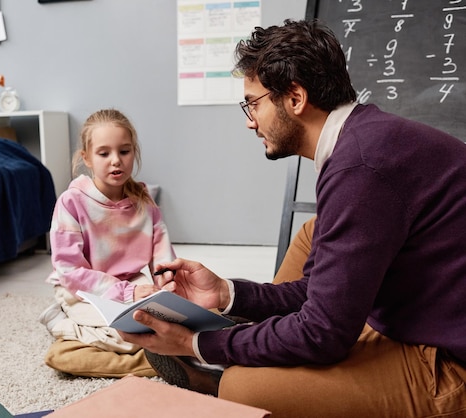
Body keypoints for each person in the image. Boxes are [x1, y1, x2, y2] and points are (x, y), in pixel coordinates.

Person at [119, 19, 466, 417]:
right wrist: (225, 292)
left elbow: (324, 333)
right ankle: (259, 347)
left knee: (244, 386)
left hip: (452, 362)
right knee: (312, 234)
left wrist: (197, 346)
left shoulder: (361, 168)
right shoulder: (364, 140)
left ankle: (236, 364)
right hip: (424, 310)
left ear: (295, 98)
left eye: (253, 102)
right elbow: (320, 294)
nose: (250, 120)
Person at [39, 108, 175, 378]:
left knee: (172, 322)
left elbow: (162, 255)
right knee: (128, 334)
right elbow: (69, 271)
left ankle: (152, 355)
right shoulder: (71, 202)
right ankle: (63, 325)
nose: (116, 161)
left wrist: (168, 285)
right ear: (86, 158)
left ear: (133, 152)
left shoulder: (144, 200)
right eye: (104, 153)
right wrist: (125, 294)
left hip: (131, 286)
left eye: (124, 151)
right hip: (83, 290)